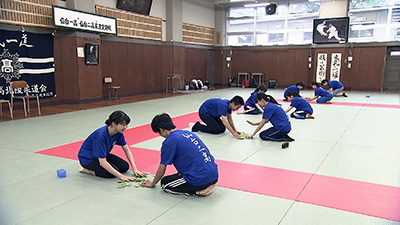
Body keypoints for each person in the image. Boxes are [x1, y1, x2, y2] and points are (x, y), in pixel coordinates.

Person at [142, 113, 218, 196]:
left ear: (161, 130)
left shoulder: (169, 142)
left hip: (199, 179)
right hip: (214, 174)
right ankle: (209, 184)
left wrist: (152, 183)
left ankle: (198, 191)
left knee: (165, 184)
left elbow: (162, 168)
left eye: (159, 133)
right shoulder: (187, 133)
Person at [78, 110, 144, 181]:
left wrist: (135, 168)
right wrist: (121, 176)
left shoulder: (118, 133)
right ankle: (87, 170)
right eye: (123, 125)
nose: (125, 127)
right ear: (113, 124)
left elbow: (126, 149)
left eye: (126, 124)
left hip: (102, 155)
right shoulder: (100, 136)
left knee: (124, 167)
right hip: (88, 159)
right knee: (111, 174)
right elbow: (102, 162)